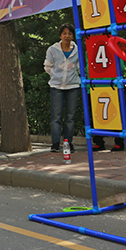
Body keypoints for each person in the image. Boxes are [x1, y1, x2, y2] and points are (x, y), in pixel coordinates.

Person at [44, 23, 80, 153]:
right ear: (60, 35)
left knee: (70, 116)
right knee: (56, 116)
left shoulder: (77, 49)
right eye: (64, 33)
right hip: (56, 86)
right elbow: (47, 66)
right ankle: (55, 143)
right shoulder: (52, 49)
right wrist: (56, 76)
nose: (67, 36)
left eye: (69, 33)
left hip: (73, 86)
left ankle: (68, 142)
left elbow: (79, 67)